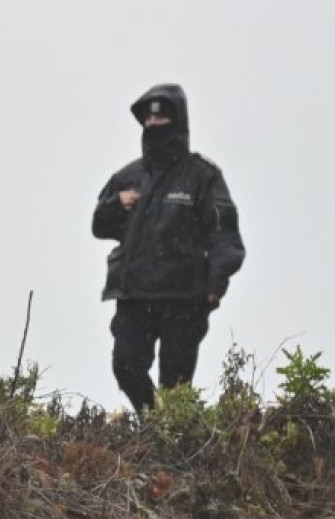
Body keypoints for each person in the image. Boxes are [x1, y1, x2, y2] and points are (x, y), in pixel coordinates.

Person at [91, 84, 245, 411]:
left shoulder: (202, 176)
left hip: (184, 297)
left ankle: (173, 445)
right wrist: (117, 205)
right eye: (148, 116)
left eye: (161, 116)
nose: (154, 122)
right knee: (126, 366)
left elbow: (224, 229)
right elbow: (99, 224)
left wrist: (217, 282)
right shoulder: (128, 176)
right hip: (134, 294)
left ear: (177, 120)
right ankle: (153, 426)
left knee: (175, 386)